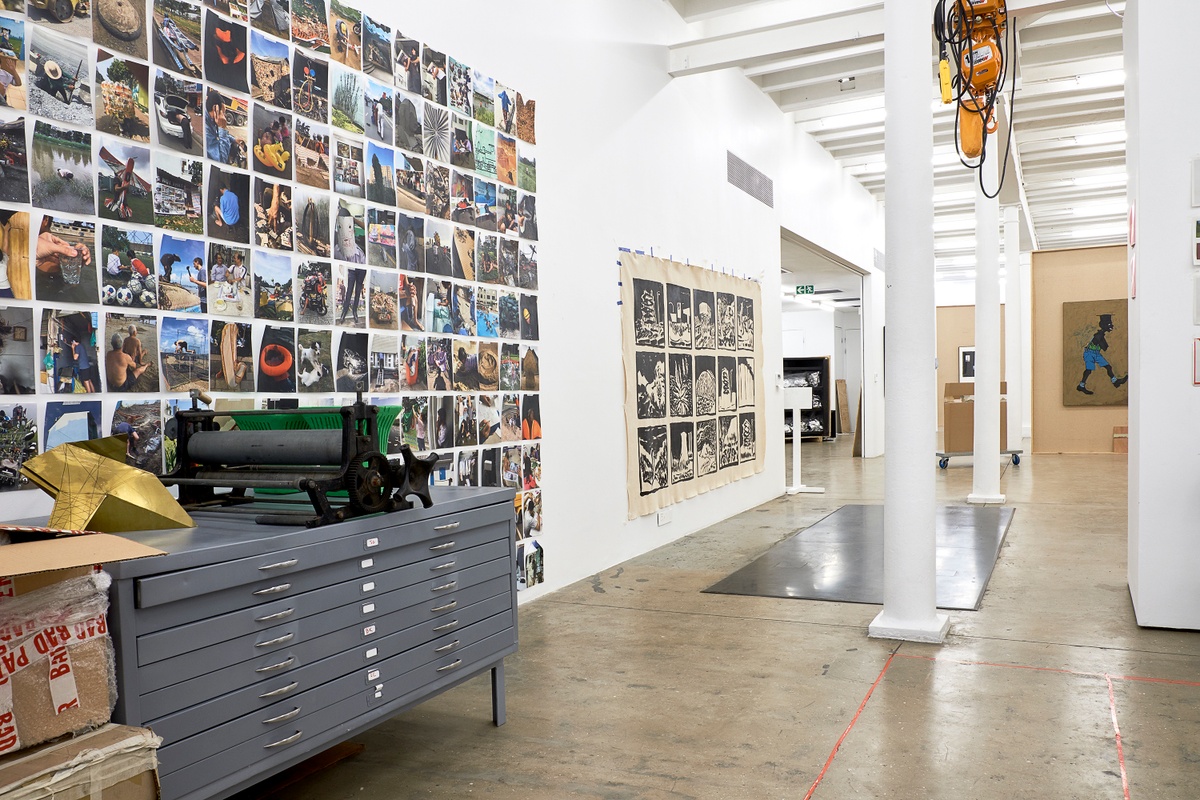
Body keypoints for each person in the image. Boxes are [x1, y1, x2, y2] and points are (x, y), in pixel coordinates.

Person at [1077, 313, 1129, 396]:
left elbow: (1104, 347)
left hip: (1096, 353)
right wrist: (1103, 343)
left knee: (1108, 367)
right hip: (1089, 353)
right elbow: (1103, 346)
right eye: (1109, 324)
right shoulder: (1098, 335)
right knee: (1088, 370)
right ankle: (1081, 386)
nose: (1111, 326)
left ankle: (1115, 381)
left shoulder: (1101, 335)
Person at [205, 94, 239, 165]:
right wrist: (222, 127)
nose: (224, 115)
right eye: (223, 112)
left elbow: (217, 133)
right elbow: (221, 160)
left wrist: (233, 139)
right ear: (215, 109)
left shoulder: (211, 120)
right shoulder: (206, 130)